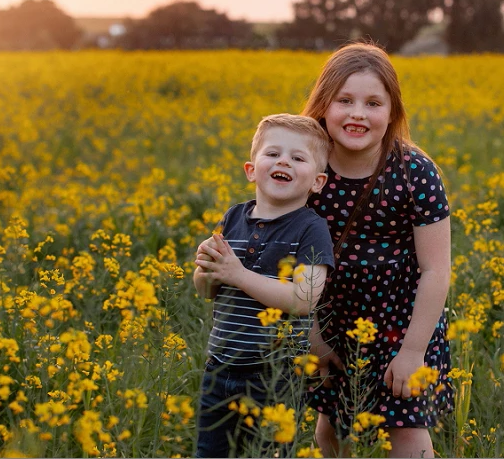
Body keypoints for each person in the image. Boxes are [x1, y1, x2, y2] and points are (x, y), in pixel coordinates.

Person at [302, 42, 454, 458]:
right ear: (323, 105)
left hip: (404, 324)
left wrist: (413, 351)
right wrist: (314, 336)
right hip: (332, 321)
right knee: (331, 429)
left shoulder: (415, 172)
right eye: (344, 101)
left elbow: (436, 270)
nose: (358, 114)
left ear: (392, 112)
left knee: (407, 433)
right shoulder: (308, 168)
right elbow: (290, 257)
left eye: (373, 103)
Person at [193, 113, 336, 458]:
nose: (283, 161)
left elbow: (304, 299)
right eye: (272, 154)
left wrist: (237, 274)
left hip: (276, 374)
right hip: (220, 367)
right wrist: (206, 270)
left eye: (297, 158)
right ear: (251, 170)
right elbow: (208, 291)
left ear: (317, 182)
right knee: (210, 453)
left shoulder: (311, 229)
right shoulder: (233, 218)